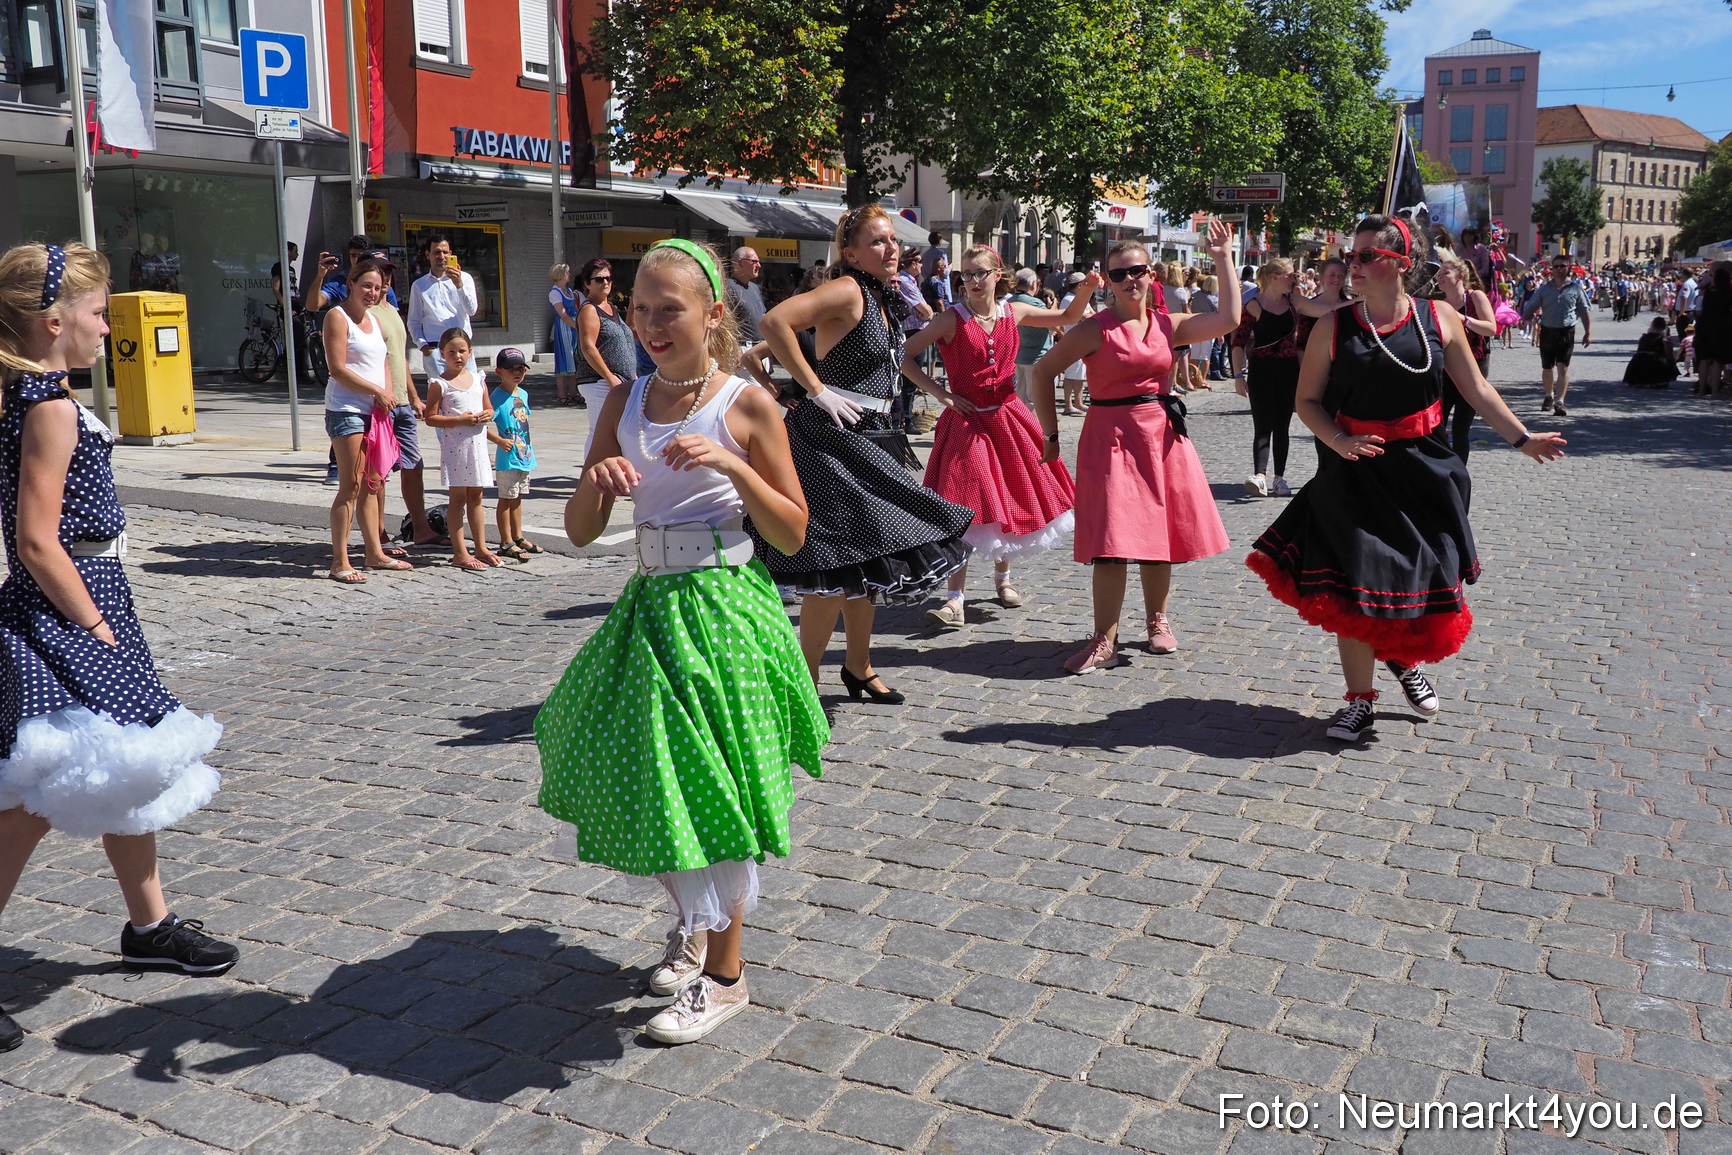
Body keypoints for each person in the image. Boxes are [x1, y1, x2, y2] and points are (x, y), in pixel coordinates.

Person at [536, 238, 826, 1046]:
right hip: (651, 607)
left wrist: (735, 469)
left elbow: (795, 532)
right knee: (643, 772)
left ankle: (726, 977)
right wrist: (597, 486)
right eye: (640, 308)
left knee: (715, 787)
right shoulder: (621, 400)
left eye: (671, 308)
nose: (654, 323)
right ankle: (695, 927)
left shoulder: (745, 402)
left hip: (726, 610)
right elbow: (581, 528)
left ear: (712, 314)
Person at [0, 242, 237, 1054]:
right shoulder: (51, 407)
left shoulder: (39, 395)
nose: (110, 326)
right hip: (72, 609)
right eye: (99, 313)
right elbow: (35, 541)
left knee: (124, 762)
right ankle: (150, 924)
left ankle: (150, 923)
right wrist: (97, 628)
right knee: (33, 795)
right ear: (52, 320)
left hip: (86, 602)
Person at [1246, 215, 1566, 742]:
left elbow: (1478, 390)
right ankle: (1358, 702)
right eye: (1352, 256)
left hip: (1424, 471)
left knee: (1414, 580)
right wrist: (1338, 441)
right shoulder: (1333, 326)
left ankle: (1402, 659)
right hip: (1352, 473)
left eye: (1366, 256)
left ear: (1401, 263)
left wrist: (1523, 438)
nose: (1354, 265)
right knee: (1354, 589)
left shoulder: (1439, 318)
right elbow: (1306, 402)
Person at [758, 204, 976, 703]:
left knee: (871, 557)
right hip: (829, 439)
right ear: (851, 253)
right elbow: (775, 322)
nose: (891, 248)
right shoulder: (849, 289)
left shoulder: (883, 296)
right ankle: (803, 683)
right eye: (877, 242)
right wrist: (814, 389)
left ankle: (858, 666)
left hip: (873, 433)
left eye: (893, 240)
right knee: (831, 567)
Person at [1030, 221, 1242, 673]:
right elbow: (1041, 372)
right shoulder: (1095, 329)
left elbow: (1229, 320)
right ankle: (1104, 638)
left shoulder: (1170, 325)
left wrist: (1223, 257)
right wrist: (1050, 434)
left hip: (1161, 436)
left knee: (1157, 536)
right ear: (1107, 281)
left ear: (1152, 276)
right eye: (1120, 274)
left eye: (1138, 271)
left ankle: (1156, 621)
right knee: (1110, 542)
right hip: (1109, 437)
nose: (1130, 280)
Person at [901, 248, 1098, 627]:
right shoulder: (950, 319)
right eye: (967, 274)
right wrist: (941, 394)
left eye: (981, 273)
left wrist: (1087, 288)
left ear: (997, 276)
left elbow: (1070, 316)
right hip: (966, 422)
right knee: (965, 505)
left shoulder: (1015, 312)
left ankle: (1003, 580)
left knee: (1006, 497)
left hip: (1008, 418)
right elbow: (904, 355)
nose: (973, 281)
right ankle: (954, 599)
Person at [323, 260, 407, 584]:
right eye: (366, 286)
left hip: (376, 412)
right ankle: (339, 561)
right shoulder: (337, 317)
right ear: (351, 285)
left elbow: (383, 361)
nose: (372, 292)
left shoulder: (374, 319)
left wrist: (386, 394)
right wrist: (375, 391)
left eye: (377, 287)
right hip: (346, 409)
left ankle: (374, 552)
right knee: (351, 485)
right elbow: (338, 368)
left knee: (373, 484)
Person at [424, 329, 499, 571]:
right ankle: (460, 551)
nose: (457, 356)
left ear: (470, 352)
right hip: (457, 447)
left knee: (476, 497)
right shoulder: (440, 384)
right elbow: (431, 417)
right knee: (458, 499)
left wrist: (488, 414)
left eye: (462, 351)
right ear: (442, 354)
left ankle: (481, 547)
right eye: (451, 352)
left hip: (477, 444)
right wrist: (459, 420)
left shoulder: (478, 379)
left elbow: (488, 407)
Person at [1435, 258, 1497, 461]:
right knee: (1438, 423)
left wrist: (1463, 319)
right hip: (1447, 368)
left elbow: (1491, 328)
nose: (1439, 277)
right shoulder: (1440, 304)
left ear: (1460, 276)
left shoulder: (1475, 297)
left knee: (1461, 428)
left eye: (1445, 273)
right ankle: (1440, 466)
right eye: (1439, 273)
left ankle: (1459, 472)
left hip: (1474, 367)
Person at [574, 258, 638, 452]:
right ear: (587, 283)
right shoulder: (589, 310)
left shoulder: (610, 308)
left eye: (608, 278)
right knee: (599, 432)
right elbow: (588, 347)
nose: (605, 283)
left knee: (618, 431)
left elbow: (629, 336)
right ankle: (589, 476)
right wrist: (609, 377)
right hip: (598, 381)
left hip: (619, 380)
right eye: (599, 279)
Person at [1520, 254, 1592, 416]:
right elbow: (1532, 306)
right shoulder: (1544, 290)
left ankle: (1560, 401)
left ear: (1569, 268)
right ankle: (1548, 396)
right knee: (1547, 368)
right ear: (1551, 269)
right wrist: (1524, 319)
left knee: (1563, 367)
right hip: (1547, 330)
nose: (1559, 269)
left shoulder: (1576, 289)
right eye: (1556, 266)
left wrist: (1588, 332)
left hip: (1566, 332)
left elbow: (1584, 312)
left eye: (1562, 266)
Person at [488, 347, 541, 560]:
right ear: (499, 371)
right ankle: (505, 540)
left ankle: (518, 536)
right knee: (506, 499)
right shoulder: (497, 397)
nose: (517, 373)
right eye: (511, 369)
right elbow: (482, 425)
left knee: (518, 497)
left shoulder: (523, 394)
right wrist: (499, 441)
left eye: (521, 369)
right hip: (507, 458)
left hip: (524, 455)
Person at [407, 235, 479, 378]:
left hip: (462, 348)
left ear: (451, 254)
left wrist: (459, 286)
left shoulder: (465, 279)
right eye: (436, 252)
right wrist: (424, 347)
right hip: (435, 350)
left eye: (445, 252)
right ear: (428, 255)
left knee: (470, 391)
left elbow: (471, 311)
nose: (441, 256)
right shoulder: (419, 285)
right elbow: (413, 320)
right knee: (440, 394)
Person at [1008, 267, 1053, 408]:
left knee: (1019, 398)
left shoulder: (1010, 301)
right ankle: (1034, 429)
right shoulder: (1035, 303)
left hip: (1018, 356)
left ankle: (1020, 427)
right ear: (1033, 284)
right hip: (1036, 357)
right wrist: (1053, 308)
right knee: (1035, 399)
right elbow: (1054, 325)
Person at [1691, 261, 1732, 397]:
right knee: (1718, 362)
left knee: (1704, 360)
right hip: (1722, 329)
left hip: (1705, 328)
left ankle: (1702, 390)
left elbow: (1699, 312)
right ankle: (1715, 391)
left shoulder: (1706, 293)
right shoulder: (1728, 294)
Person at [1058, 272, 1094, 414]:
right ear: (1080, 285)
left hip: (1082, 340)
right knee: (1071, 374)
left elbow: (1091, 312)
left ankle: (1078, 402)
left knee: (1079, 374)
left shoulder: (1080, 298)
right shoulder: (1069, 299)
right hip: (1073, 341)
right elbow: (1083, 316)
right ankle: (1068, 404)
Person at [548, 263, 581, 408]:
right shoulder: (554, 293)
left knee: (573, 362)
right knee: (563, 362)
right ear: (561, 274)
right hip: (564, 329)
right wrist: (577, 327)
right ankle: (562, 395)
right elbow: (562, 314)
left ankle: (573, 393)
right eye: (567, 272)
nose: (569, 275)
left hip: (572, 327)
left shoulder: (568, 290)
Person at [727, 247, 767, 350]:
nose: (759, 265)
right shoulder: (728, 287)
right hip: (743, 349)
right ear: (740, 263)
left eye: (759, 261)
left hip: (761, 348)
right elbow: (726, 323)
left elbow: (763, 316)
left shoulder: (755, 288)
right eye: (754, 261)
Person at [1624, 317, 1680, 388]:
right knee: (1667, 360)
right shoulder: (1664, 338)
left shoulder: (1644, 337)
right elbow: (1668, 354)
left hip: (1638, 361)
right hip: (1655, 360)